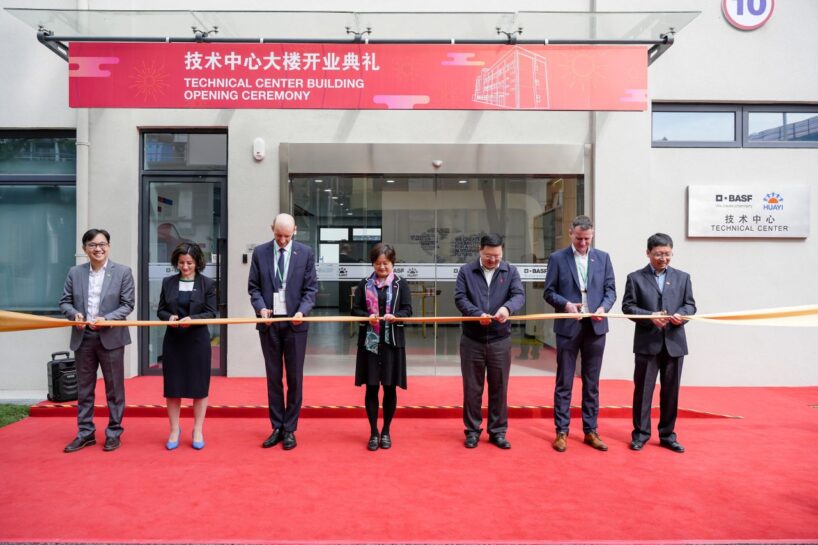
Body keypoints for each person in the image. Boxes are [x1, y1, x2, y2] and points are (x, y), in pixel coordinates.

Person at [543, 215, 616, 452]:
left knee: (591, 382)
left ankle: (590, 430)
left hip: (595, 326)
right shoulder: (557, 258)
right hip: (568, 326)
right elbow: (549, 291)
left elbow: (610, 290)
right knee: (564, 381)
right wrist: (565, 305)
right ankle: (561, 431)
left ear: (592, 235)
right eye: (579, 239)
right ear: (570, 233)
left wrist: (604, 308)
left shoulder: (603, 258)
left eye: (587, 239)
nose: (583, 243)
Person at [59, 228, 135, 453]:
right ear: (85, 249)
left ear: (108, 246)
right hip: (84, 337)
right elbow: (64, 301)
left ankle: (114, 432)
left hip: (110, 336)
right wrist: (74, 314)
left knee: (114, 389)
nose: (98, 248)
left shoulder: (122, 272)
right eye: (92, 245)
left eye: (102, 244)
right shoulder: (75, 272)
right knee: (84, 389)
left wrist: (107, 318)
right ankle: (85, 433)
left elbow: (127, 304)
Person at [248, 213, 318, 451]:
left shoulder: (306, 253)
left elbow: (311, 289)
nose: (282, 241)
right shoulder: (260, 253)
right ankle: (276, 426)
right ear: (272, 229)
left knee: (295, 378)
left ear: (295, 231)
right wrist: (260, 309)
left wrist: (302, 311)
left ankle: (290, 428)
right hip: (269, 324)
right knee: (273, 377)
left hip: (295, 323)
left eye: (287, 236)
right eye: (278, 235)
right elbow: (254, 288)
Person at [621, 233, 696, 453]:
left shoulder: (683, 277)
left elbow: (690, 306)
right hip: (647, 342)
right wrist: (649, 316)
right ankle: (641, 434)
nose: (663, 258)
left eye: (667, 254)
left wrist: (681, 314)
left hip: (674, 342)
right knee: (643, 391)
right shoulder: (635, 278)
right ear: (648, 253)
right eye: (658, 254)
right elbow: (628, 307)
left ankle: (667, 435)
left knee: (671, 392)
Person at [454, 233, 525, 449]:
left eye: (497, 256)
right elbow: (460, 298)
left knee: (499, 387)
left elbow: (519, 295)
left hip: (499, 339)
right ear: (480, 251)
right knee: (472, 388)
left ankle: (498, 431)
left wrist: (507, 308)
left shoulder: (510, 270)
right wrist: (476, 314)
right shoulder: (466, 271)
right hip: (472, 339)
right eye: (488, 256)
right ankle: (472, 430)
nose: (493, 260)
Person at [351, 243, 413, 451]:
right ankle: (373, 432)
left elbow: (408, 310)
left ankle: (386, 431)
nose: (382, 268)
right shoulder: (364, 284)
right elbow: (356, 310)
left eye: (385, 263)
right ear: (373, 264)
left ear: (392, 263)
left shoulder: (400, 284)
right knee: (371, 388)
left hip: (392, 343)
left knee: (389, 388)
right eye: (378, 264)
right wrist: (366, 317)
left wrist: (396, 317)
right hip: (370, 343)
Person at [157, 242, 218, 450]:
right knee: (173, 388)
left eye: (189, 263)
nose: (185, 267)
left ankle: (197, 429)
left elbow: (211, 312)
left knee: (199, 387)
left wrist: (193, 318)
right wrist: (170, 316)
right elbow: (161, 310)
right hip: (174, 341)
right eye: (181, 263)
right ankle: (174, 428)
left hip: (197, 340)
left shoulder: (207, 284)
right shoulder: (168, 282)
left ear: (197, 263)